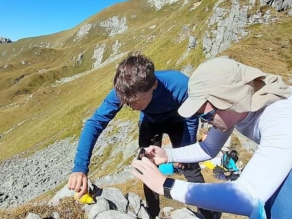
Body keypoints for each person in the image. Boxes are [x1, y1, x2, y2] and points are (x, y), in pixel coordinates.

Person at [131, 57, 292, 219]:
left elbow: (248, 196)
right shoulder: (239, 106)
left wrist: (166, 185)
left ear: (229, 100)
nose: (205, 122)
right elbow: (209, 148)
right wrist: (168, 155)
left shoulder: (285, 116)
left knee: (285, 192)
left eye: (206, 116)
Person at [68, 52, 212, 218]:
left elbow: (192, 117)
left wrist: (186, 147)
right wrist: (80, 168)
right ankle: (152, 212)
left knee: (190, 166)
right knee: (147, 166)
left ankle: (207, 212)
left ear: (154, 85)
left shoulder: (180, 84)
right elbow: (95, 123)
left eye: (136, 101)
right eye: (127, 102)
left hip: (179, 121)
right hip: (150, 123)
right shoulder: (123, 90)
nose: (131, 107)